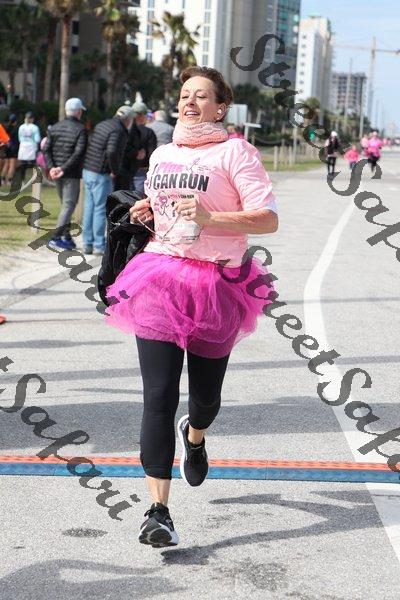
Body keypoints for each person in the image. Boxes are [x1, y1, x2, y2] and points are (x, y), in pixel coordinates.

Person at [104, 66, 278, 548]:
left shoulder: (237, 152)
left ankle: (196, 435)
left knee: (205, 398)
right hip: (159, 275)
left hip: (218, 282)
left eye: (201, 96)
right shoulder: (163, 153)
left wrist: (211, 216)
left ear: (220, 107)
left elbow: (267, 220)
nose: (189, 102)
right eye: (185, 95)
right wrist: (145, 210)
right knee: (158, 395)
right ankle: (158, 511)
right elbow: (163, 207)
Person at [82, 105, 134, 255]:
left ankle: (87, 243)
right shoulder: (118, 130)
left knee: (89, 207)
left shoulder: (102, 124)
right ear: (128, 119)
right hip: (101, 172)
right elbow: (112, 151)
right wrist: (114, 170)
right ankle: (98, 244)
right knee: (99, 209)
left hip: (88, 169)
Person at [44, 98, 88, 250]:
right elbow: (79, 153)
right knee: (69, 205)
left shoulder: (54, 127)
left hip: (56, 172)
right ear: (79, 112)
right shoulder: (81, 129)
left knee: (65, 205)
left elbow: (46, 149)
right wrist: (62, 169)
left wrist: (52, 167)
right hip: (70, 173)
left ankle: (66, 236)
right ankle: (56, 237)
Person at [124, 101, 157, 197]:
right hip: (141, 171)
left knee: (126, 199)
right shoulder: (149, 132)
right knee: (139, 199)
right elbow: (152, 154)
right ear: (143, 115)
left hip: (125, 170)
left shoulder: (124, 130)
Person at [17, 111, 41, 184]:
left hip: (23, 146)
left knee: (22, 164)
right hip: (32, 146)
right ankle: (35, 180)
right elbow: (37, 139)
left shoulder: (21, 127)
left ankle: (22, 180)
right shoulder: (35, 127)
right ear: (32, 119)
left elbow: (19, 138)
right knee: (33, 163)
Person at [1, 114, 19, 186]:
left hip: (6, 147)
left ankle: (2, 180)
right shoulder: (16, 129)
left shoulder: (5, 128)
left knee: (6, 164)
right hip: (13, 148)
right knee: (12, 165)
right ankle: (9, 181)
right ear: (15, 121)